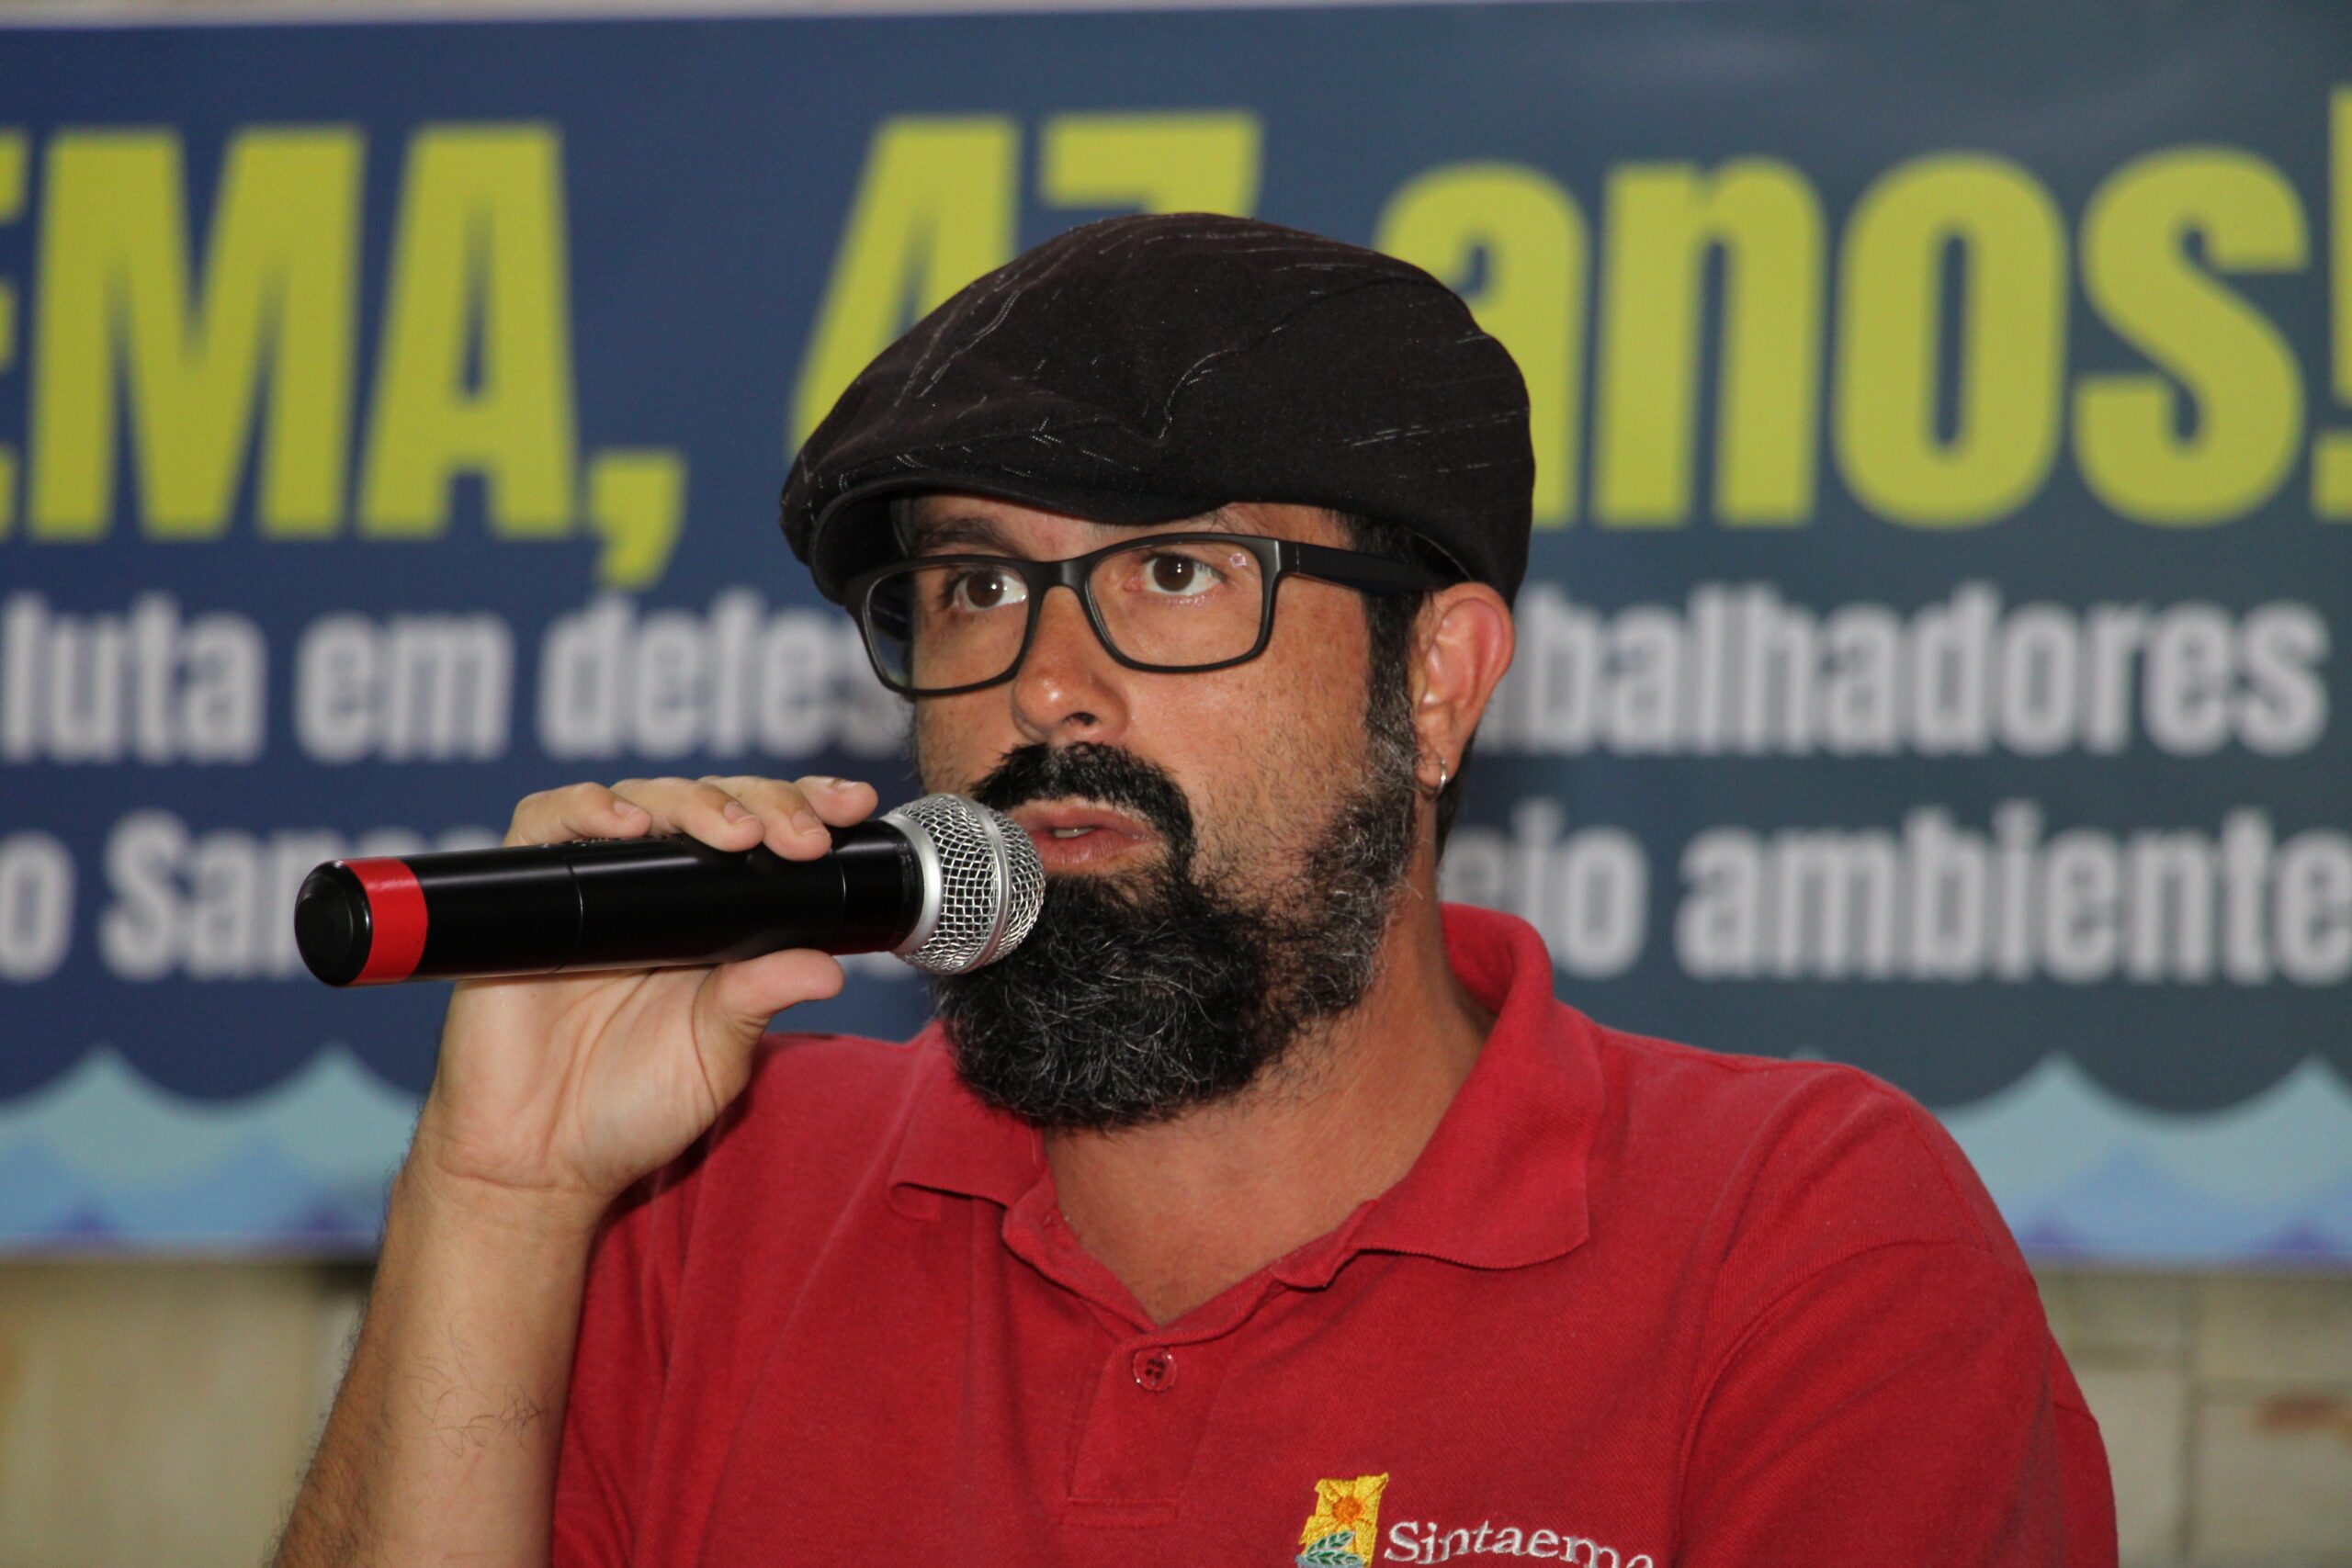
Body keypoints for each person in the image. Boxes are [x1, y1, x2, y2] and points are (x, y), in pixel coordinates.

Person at [276, 214, 2116, 1568]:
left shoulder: (1795, 1238)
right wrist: (497, 1200)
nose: (1044, 687)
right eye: (975, 588)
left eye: (1171, 574)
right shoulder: (707, 1195)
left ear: (1436, 683)